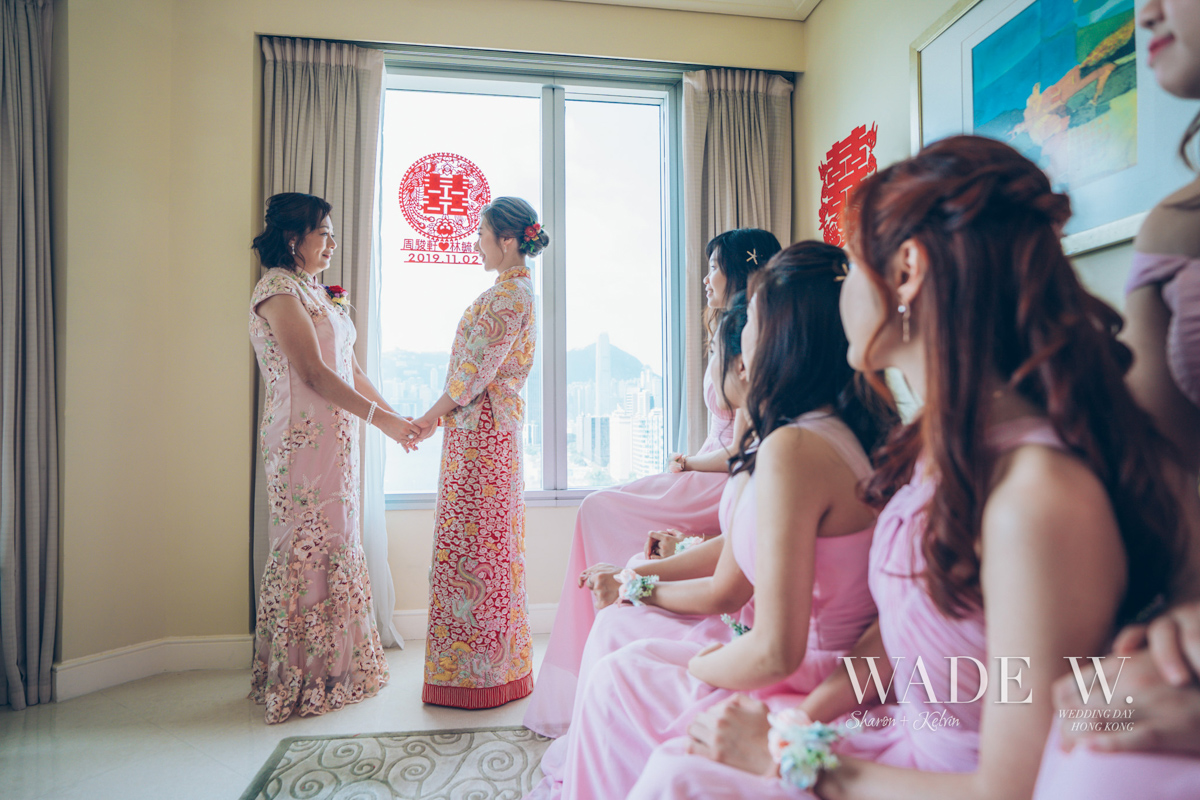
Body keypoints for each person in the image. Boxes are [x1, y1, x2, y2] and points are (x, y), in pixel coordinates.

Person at [625, 135, 1183, 800]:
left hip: (952, 778)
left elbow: (1007, 788)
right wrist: (807, 719)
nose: (839, 300)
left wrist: (791, 760)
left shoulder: (1034, 500)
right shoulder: (941, 450)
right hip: (905, 734)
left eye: (852, 268)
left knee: (678, 775)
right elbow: (905, 643)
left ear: (908, 270)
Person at [529, 241, 892, 800]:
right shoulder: (829, 431)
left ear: (782, 338)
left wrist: (702, 662)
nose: (741, 342)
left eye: (754, 323)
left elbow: (770, 643)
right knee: (626, 656)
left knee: (619, 674)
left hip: (807, 674)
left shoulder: (795, 448)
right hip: (813, 659)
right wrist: (641, 581)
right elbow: (739, 563)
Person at [1030, 2, 1200, 794]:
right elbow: (1173, 487)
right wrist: (1173, 630)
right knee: (1086, 724)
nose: (1147, 9)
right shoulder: (1174, 229)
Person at [523, 228, 781, 736]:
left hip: (722, 474)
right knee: (602, 510)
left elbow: (745, 450)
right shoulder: (733, 332)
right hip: (714, 467)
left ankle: (615, 603)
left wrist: (691, 466)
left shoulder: (755, 347)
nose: (706, 278)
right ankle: (594, 646)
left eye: (714, 267)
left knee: (599, 509)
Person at [248, 192, 413, 724]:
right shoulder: (277, 290)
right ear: (293, 237)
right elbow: (313, 373)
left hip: (337, 440)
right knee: (305, 546)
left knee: (339, 541)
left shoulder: (316, 292)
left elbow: (351, 372)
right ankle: (303, 675)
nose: (333, 244)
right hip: (300, 441)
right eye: (324, 233)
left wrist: (398, 421)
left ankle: (338, 670)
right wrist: (382, 421)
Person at [413, 196, 544, 709]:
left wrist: (428, 417)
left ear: (507, 241)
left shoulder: (511, 296)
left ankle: (481, 676)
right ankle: (479, 671)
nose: (476, 245)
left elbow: (472, 375)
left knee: (478, 549)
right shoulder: (510, 292)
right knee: (480, 547)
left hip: (482, 436)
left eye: (482, 236)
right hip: (480, 431)